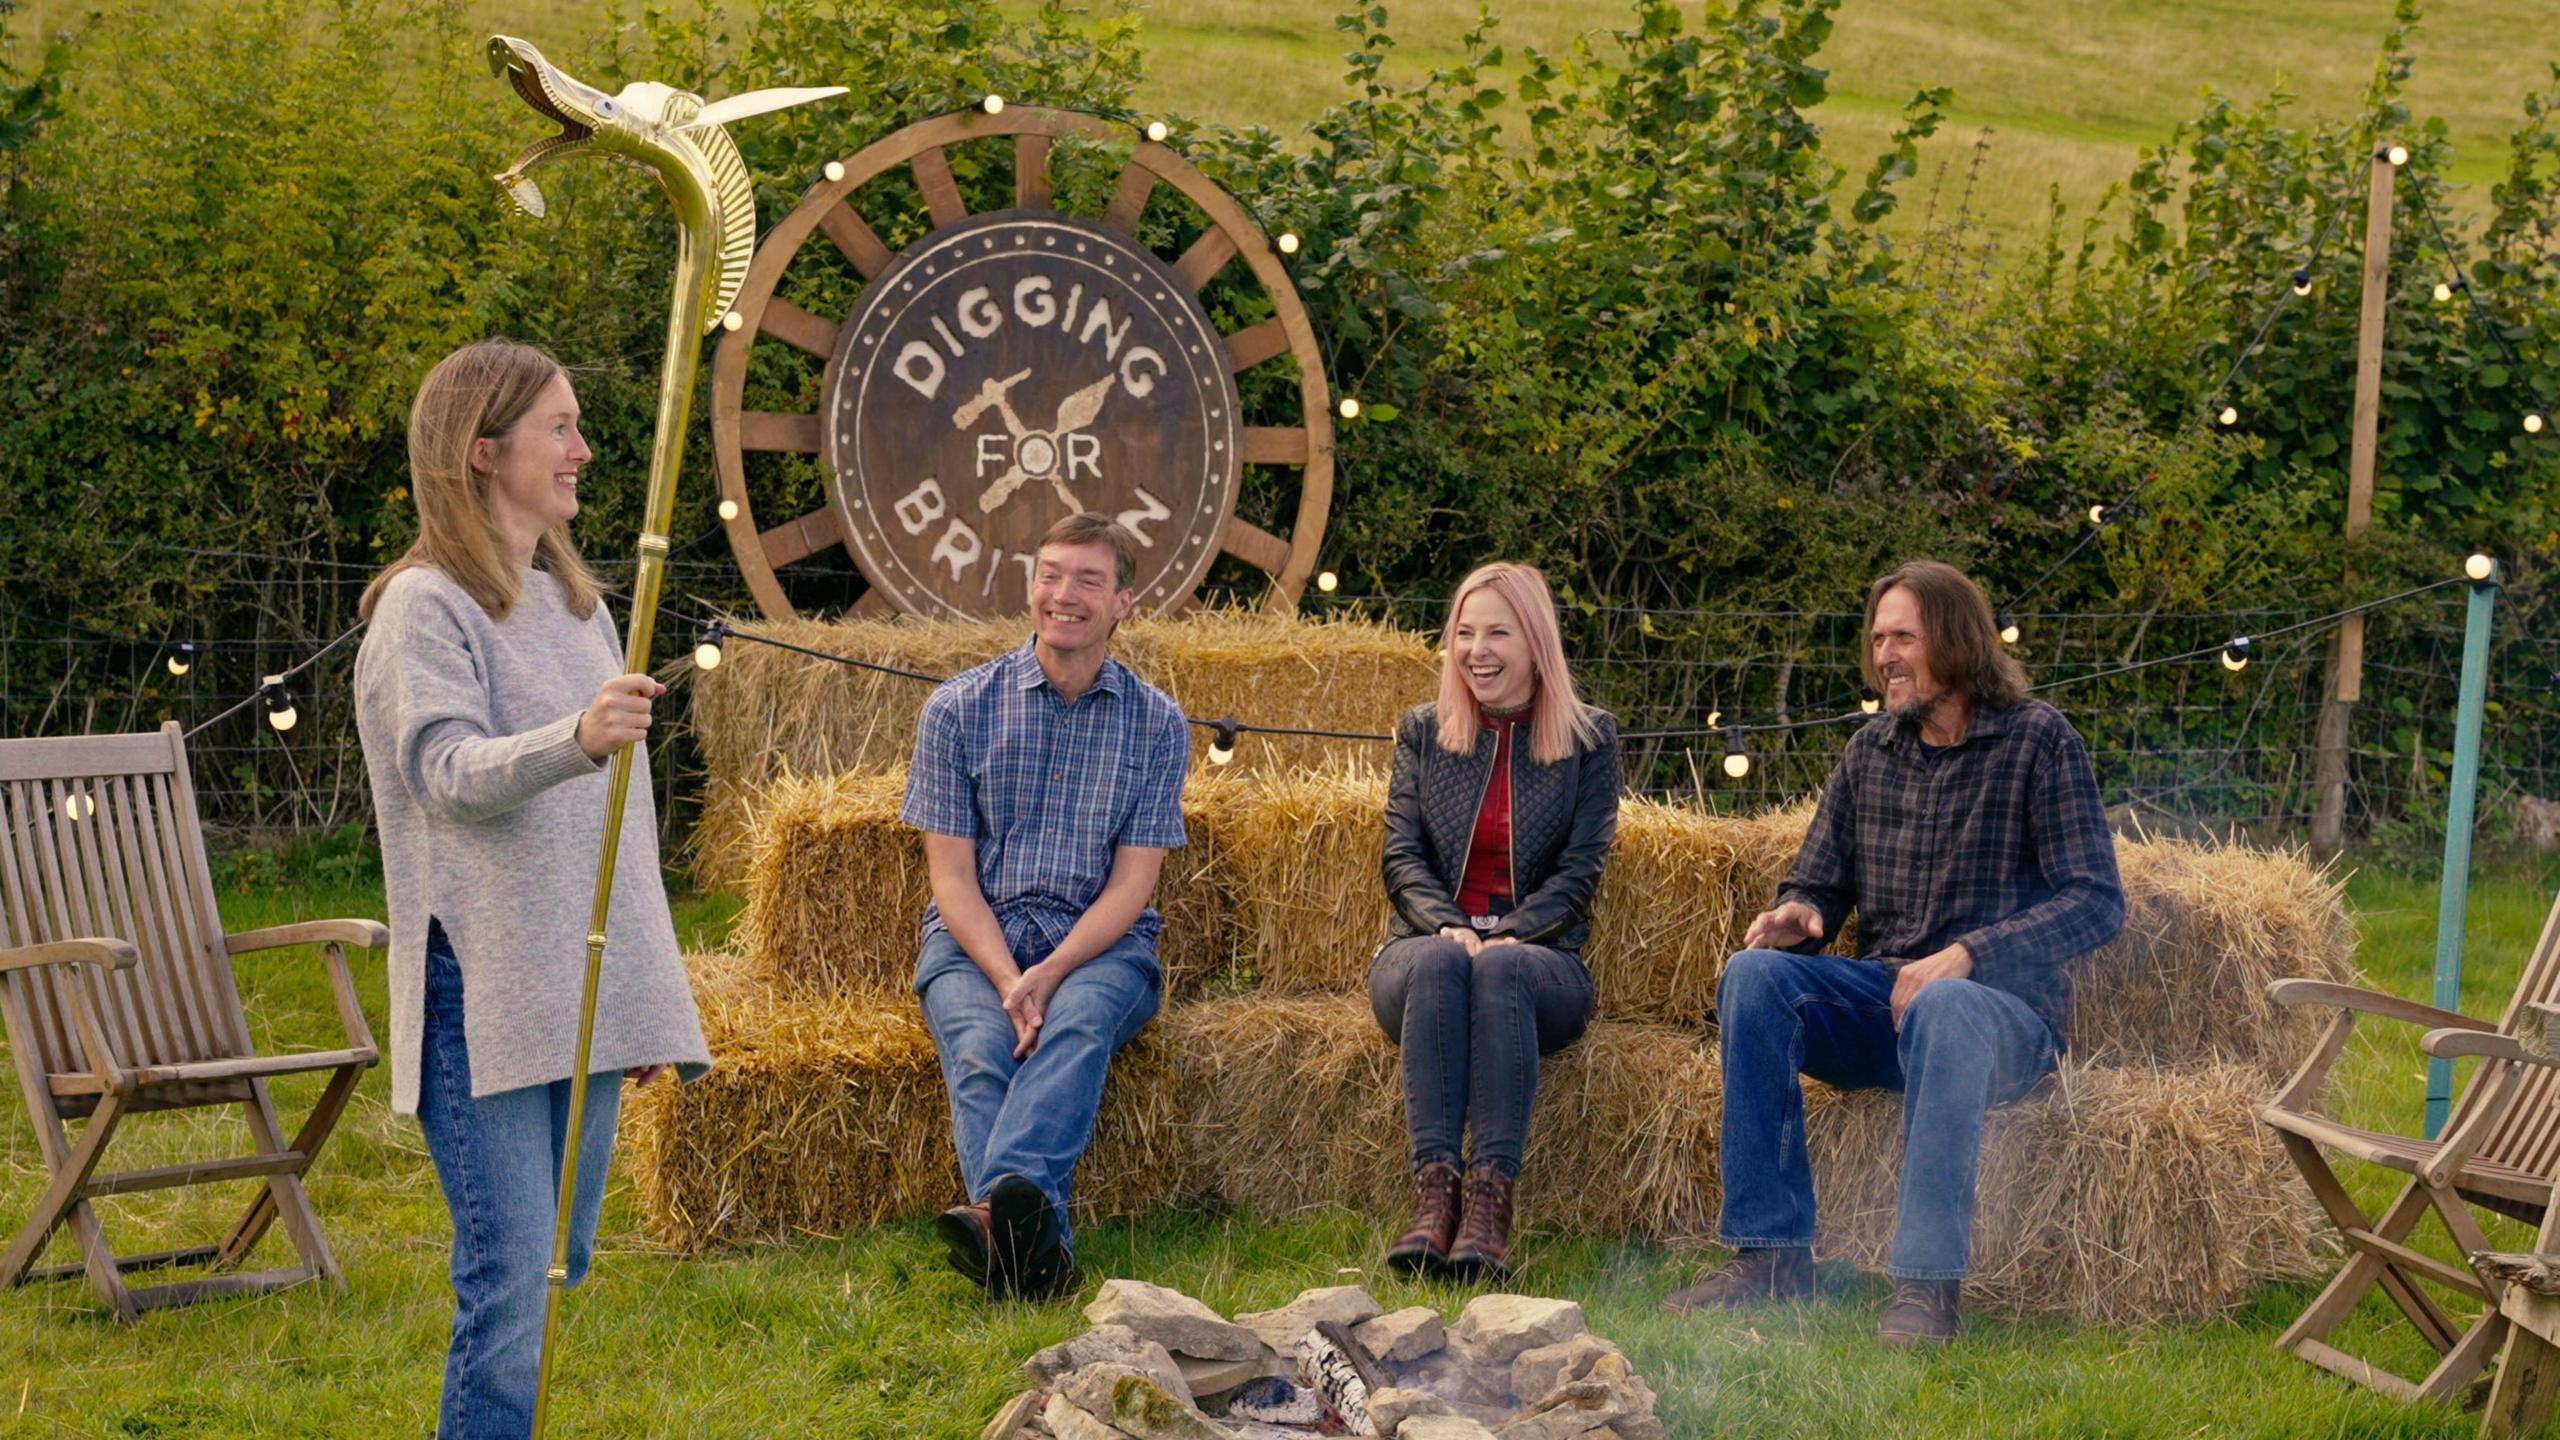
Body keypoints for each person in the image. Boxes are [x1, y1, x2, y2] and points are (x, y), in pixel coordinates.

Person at [354, 338, 711, 1439]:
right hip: (483, 987)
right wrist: (576, 736)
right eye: (559, 427)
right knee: (510, 1276)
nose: (583, 450)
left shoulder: (578, 605)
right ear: (482, 449)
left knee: (562, 1259)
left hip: (581, 984)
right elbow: (446, 773)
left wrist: (635, 992)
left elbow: (618, 826)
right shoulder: (423, 608)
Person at [1663, 560, 2123, 1346]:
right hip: (1886, 1005)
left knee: (1945, 1001)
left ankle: (1926, 1284)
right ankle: (1770, 1257)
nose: (1884, 657)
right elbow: (1818, 880)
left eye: (1903, 638)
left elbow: (2096, 900)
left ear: (1957, 640)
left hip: (2001, 1022)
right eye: (1878, 640)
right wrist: (1801, 911)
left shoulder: (2038, 740)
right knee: (1754, 977)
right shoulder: (1869, 751)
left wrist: (1971, 952)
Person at [903, 512, 1190, 1301]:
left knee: (1077, 1025)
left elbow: (1132, 885)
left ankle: (995, 1226)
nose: (1064, 595)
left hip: (1102, 947)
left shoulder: (1158, 724)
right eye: (1050, 575)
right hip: (973, 940)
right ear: (1031, 587)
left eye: (1088, 581)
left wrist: (1055, 970)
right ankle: (1039, 1255)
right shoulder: (957, 709)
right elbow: (951, 877)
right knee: (980, 1046)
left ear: (1123, 602)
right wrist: (1008, 980)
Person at [1368, 561, 1619, 1281]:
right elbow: (1401, 856)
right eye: (1464, 632)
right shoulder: (1423, 731)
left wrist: (1508, 934)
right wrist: (1449, 926)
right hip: (1423, 952)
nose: (1477, 651)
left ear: (1536, 642)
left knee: (1501, 966)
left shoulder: (1590, 739)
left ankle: (1489, 1205)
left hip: (1542, 962)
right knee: (1442, 960)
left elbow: (1581, 871)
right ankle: (1434, 1195)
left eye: (1498, 633)